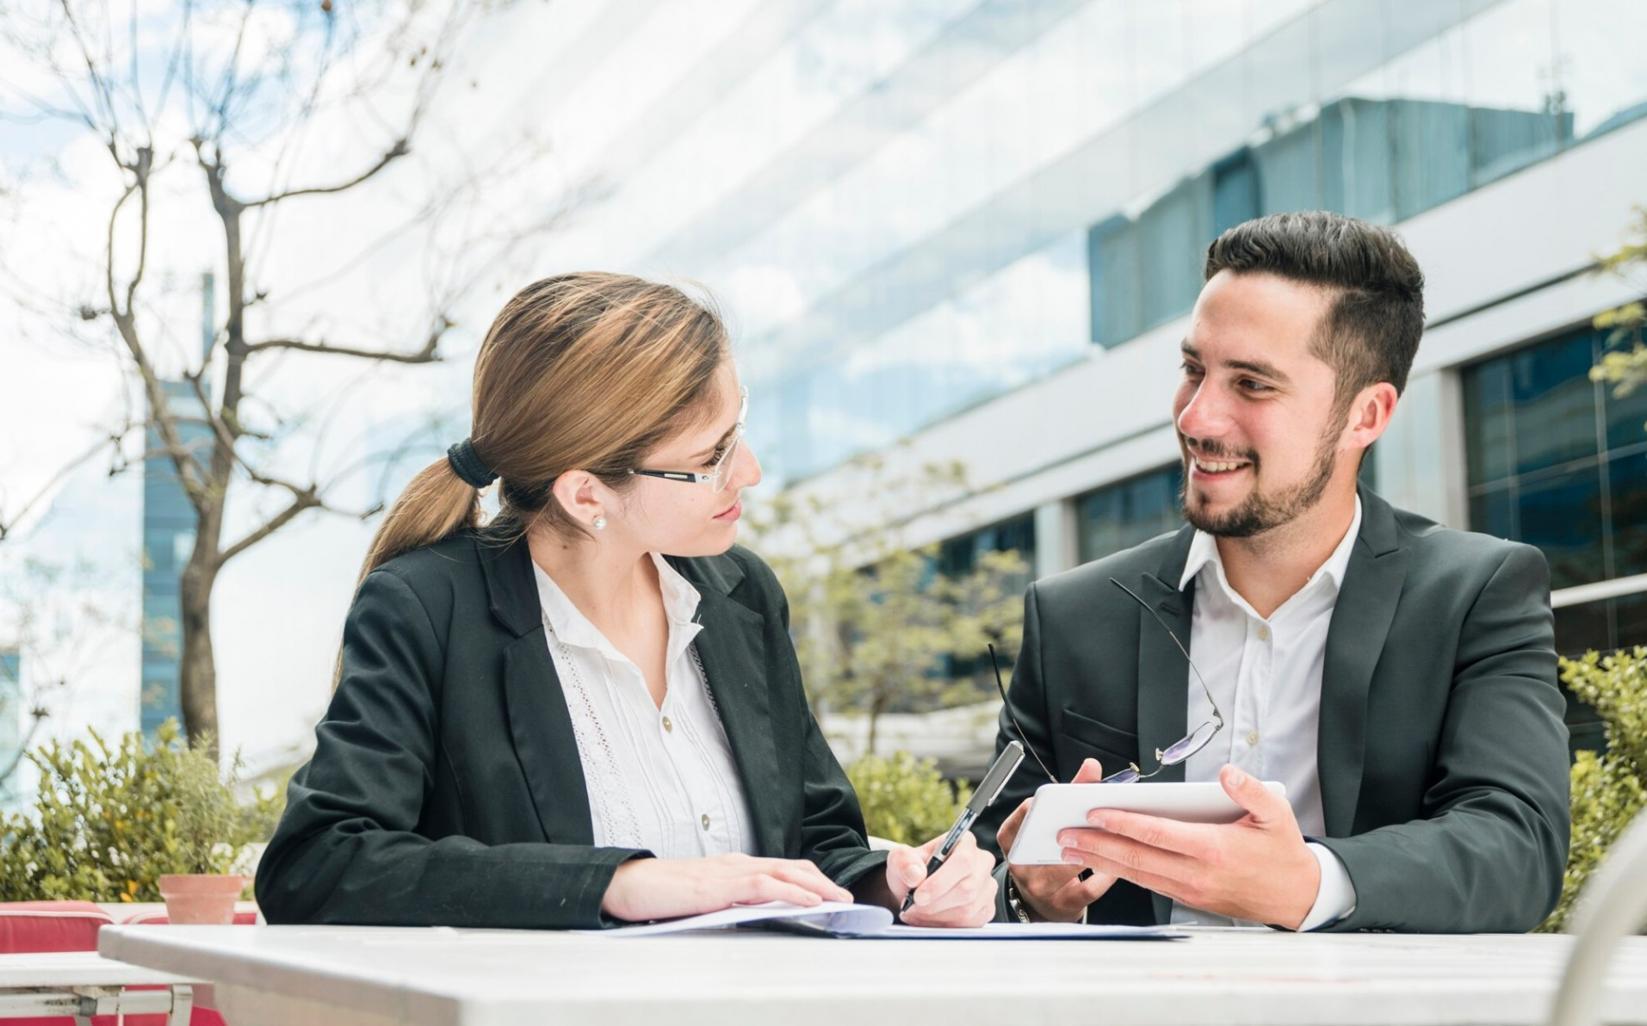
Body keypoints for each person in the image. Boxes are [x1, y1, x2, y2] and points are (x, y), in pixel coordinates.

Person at [256, 273, 996, 929]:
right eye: (710, 456)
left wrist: (890, 881)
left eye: (737, 433)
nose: (752, 471)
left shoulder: (741, 597)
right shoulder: (427, 607)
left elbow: (814, 843)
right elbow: (319, 865)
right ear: (585, 494)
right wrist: (617, 882)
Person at [975, 211, 1570, 933]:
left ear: (1366, 414)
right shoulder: (1073, 614)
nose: (1197, 418)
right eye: (1193, 370)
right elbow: (990, 855)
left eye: (1252, 385)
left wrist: (1309, 883)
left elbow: (1516, 847)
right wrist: (1032, 893)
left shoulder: (1475, 592)